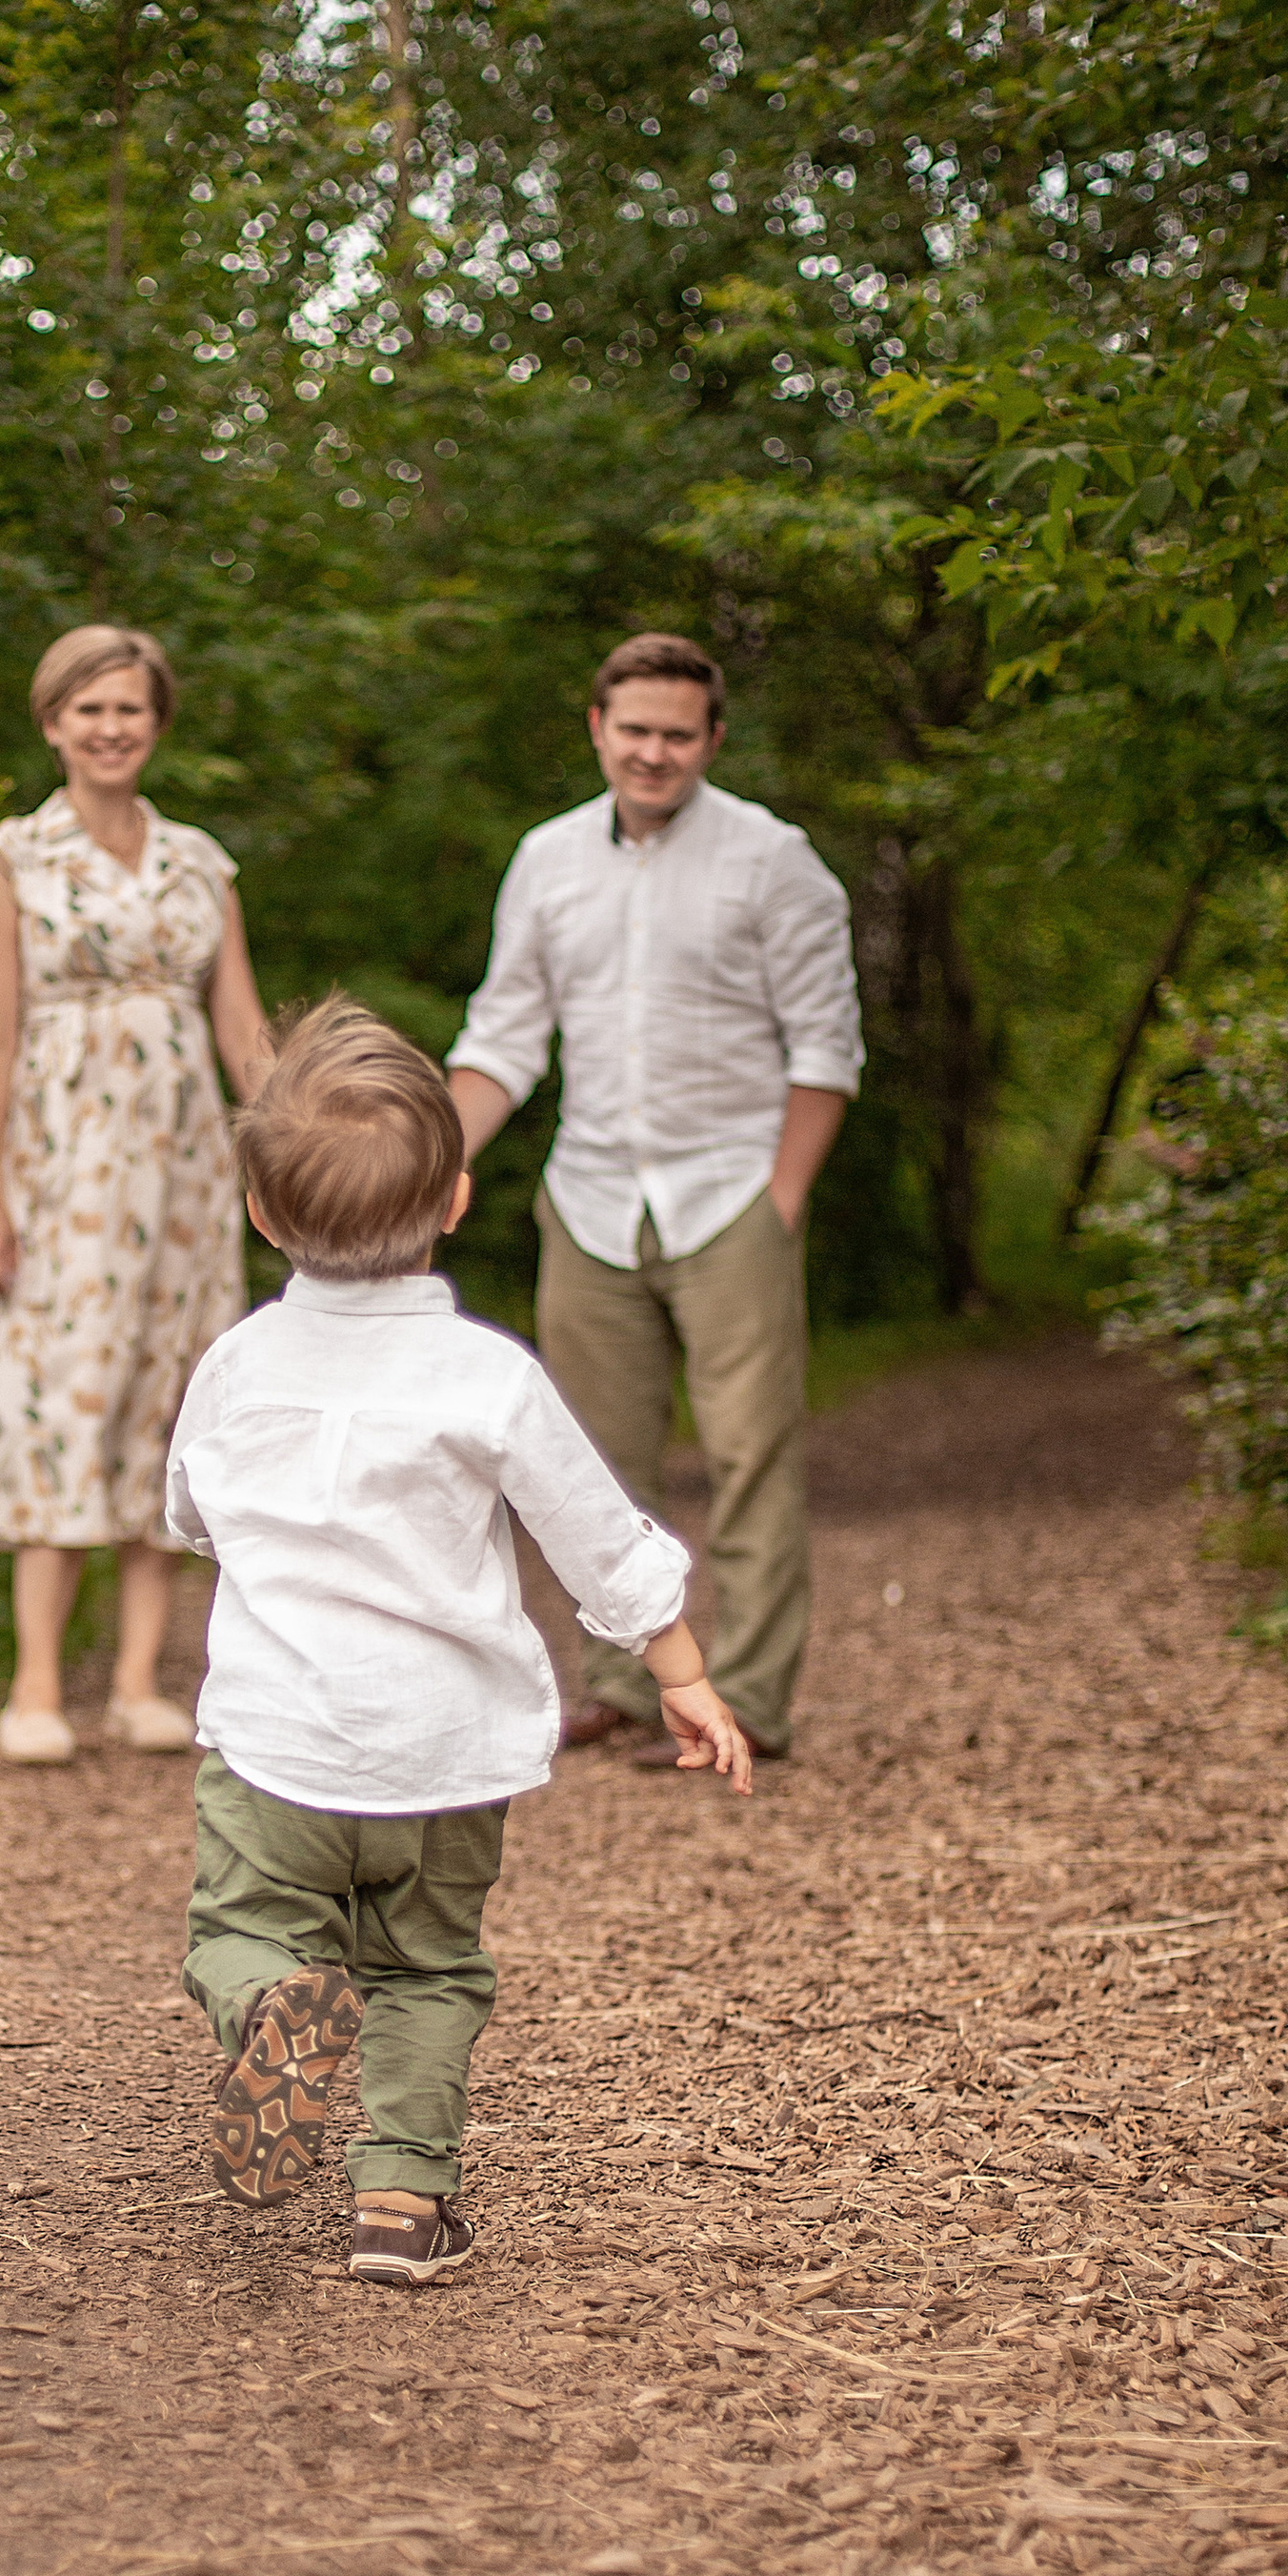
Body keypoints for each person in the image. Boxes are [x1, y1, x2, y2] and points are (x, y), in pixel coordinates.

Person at [166, 998, 749, 2288]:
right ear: (455, 1201)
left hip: (278, 1746)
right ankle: (401, 2205)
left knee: (242, 1928)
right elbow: (595, 1534)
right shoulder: (488, 1376)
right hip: (445, 1751)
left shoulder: (237, 1365)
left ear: (263, 1214)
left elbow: (189, 1511)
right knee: (429, 1967)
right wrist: (682, 1674)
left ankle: (274, 2006)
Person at [446, 629, 862, 1764]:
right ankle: (623, 1691)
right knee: (589, 1459)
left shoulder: (774, 860)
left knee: (749, 1456)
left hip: (729, 1198)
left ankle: (758, 1706)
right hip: (586, 1201)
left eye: (678, 734)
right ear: (597, 728)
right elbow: (505, 1033)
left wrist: (781, 1200)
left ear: (712, 740)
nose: (653, 752)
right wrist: (437, 1154)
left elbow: (826, 1051)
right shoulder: (545, 860)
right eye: (633, 730)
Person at [0, 624, 272, 1766]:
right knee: (59, 1397)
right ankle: (37, 1684)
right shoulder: (12, 859)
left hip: (182, 1177)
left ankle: (139, 1681)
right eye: (88, 708)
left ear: (156, 722)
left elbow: (240, 1029)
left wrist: (301, 1167)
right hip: (59, 1167)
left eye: (129, 707)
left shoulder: (200, 863)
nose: (110, 727)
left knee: (167, 1399)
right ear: (51, 722)